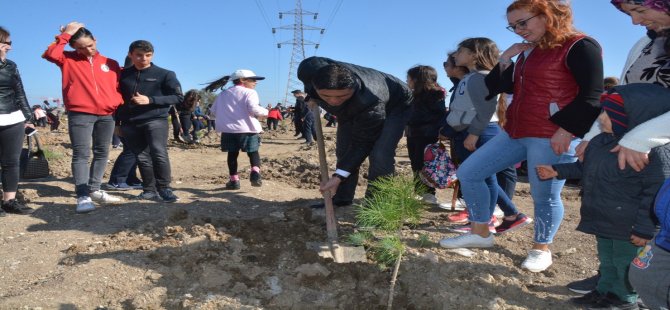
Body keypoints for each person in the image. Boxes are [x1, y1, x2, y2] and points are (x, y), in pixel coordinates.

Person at [438, 0, 603, 273]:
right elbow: (494, 87)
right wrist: (506, 59)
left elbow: (592, 95)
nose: (518, 31)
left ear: (547, 14)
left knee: (544, 194)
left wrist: (568, 130)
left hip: (552, 134)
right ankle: (481, 233)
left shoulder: (580, 45)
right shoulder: (528, 51)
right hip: (515, 130)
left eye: (522, 23)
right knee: (469, 172)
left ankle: (542, 248)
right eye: (512, 26)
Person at [568, 0, 670, 296]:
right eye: (629, 14)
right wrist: (592, 134)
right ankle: (613, 280)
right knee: (620, 216)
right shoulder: (644, 46)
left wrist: (641, 140)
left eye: (640, 11)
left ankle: (633, 289)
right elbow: (619, 97)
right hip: (628, 145)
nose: (635, 22)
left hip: (651, 148)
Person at [537, 84, 670, 309]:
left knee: (625, 262)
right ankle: (603, 291)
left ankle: (623, 299)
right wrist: (558, 171)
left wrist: (646, 228)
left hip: (629, 226)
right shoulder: (601, 142)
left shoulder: (652, 153)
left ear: (633, 117)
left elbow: (655, 193)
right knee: (607, 260)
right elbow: (587, 169)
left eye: (609, 114)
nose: (601, 118)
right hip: (604, 218)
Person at [436, 38, 532, 236]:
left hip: (480, 131)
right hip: (475, 130)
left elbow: (486, 109)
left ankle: (487, 220)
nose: (455, 55)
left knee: (482, 177)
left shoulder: (480, 77)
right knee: (484, 177)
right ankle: (508, 215)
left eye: (460, 50)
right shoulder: (473, 77)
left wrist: (473, 134)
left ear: (473, 54)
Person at [297, 56, 413, 208]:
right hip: (350, 109)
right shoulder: (309, 69)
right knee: (344, 150)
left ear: (352, 89)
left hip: (396, 105)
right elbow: (317, 67)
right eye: (326, 96)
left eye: (341, 96)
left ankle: (376, 206)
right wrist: (312, 96)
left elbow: (362, 143)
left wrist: (338, 176)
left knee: (380, 154)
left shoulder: (372, 100)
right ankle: (342, 198)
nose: (333, 101)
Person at [43, 21, 124, 213]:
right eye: (80, 47)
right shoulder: (67, 59)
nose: (87, 50)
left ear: (96, 40)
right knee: (81, 154)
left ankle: (95, 189)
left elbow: (119, 87)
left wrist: (116, 103)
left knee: (102, 152)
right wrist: (66, 34)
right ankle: (82, 196)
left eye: (90, 45)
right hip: (80, 114)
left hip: (107, 114)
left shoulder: (110, 63)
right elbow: (50, 54)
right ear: (73, 47)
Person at [115, 40, 183, 203]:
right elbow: (117, 100)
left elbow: (178, 97)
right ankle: (149, 190)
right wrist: (117, 123)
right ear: (130, 55)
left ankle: (165, 188)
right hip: (130, 123)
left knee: (159, 152)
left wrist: (151, 100)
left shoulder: (165, 74)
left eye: (148, 55)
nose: (143, 59)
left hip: (155, 120)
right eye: (139, 55)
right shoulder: (122, 75)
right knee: (142, 157)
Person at [205, 69, 268, 189]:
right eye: (253, 80)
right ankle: (255, 173)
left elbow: (212, 113)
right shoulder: (249, 92)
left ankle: (234, 181)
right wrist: (267, 112)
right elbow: (254, 109)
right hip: (247, 129)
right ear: (242, 80)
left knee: (232, 155)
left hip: (228, 131)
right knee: (253, 152)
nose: (256, 82)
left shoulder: (222, 94)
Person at [0, 26, 35, 215]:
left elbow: (19, 92)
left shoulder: (12, 66)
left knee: (11, 162)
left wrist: (28, 116)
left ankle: (9, 201)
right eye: (6, 43)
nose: (10, 47)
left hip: (13, 118)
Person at [404, 65, 447, 205]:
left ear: (418, 79)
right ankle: (418, 191)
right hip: (413, 134)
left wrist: (412, 119)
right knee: (415, 163)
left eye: (409, 78)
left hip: (428, 135)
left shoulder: (436, 94)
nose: (407, 81)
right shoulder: (412, 94)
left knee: (426, 164)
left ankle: (429, 193)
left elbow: (438, 116)